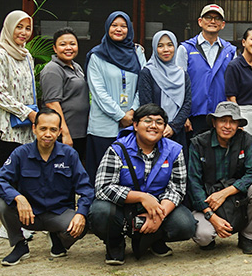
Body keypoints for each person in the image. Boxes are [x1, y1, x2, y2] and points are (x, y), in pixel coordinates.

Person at [89, 103, 195, 265]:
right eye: (148, 121)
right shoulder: (118, 149)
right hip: (123, 208)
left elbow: (177, 189)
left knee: (185, 224)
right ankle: (115, 242)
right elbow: (103, 188)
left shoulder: (174, 150)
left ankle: (153, 239)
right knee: (100, 210)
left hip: (158, 207)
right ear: (135, 125)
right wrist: (141, 197)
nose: (154, 126)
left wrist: (159, 215)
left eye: (159, 122)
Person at [0, 109, 94, 266]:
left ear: (60, 131)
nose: (48, 134)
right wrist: (18, 198)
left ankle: (59, 241)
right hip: (29, 214)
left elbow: (86, 189)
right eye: (43, 129)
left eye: (53, 129)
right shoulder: (20, 154)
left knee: (83, 223)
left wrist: (81, 213)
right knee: (3, 204)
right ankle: (20, 246)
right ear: (34, 129)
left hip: (58, 214)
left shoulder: (69, 155)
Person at [188, 102, 252, 255]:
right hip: (207, 202)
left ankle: (247, 237)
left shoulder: (244, 140)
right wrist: (210, 215)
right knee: (204, 237)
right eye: (223, 120)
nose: (227, 126)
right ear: (214, 122)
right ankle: (211, 233)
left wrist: (225, 193)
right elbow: (193, 183)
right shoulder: (198, 143)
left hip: (235, 198)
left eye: (233, 121)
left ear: (238, 124)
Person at [85, 11, 146, 180]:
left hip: (131, 124)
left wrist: (133, 111)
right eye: (114, 25)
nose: (118, 29)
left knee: (127, 172)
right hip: (103, 126)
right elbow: (98, 91)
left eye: (123, 26)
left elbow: (144, 83)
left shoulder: (137, 52)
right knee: (101, 174)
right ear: (107, 27)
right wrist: (120, 116)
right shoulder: (96, 55)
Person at [174, 3, 236, 140]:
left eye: (217, 18)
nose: (213, 21)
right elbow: (178, 85)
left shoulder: (230, 51)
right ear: (200, 22)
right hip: (194, 116)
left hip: (222, 116)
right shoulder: (186, 49)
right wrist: (183, 116)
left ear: (223, 24)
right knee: (195, 158)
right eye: (208, 17)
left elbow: (234, 86)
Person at [0, 10, 37, 169]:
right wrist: (27, 112)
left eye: (28, 28)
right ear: (9, 28)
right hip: (7, 128)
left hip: (26, 127)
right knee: (10, 178)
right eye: (19, 27)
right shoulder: (0, 55)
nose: (24, 32)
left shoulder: (26, 55)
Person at [40, 27, 90, 164]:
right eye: (63, 44)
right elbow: (52, 103)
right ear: (55, 48)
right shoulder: (52, 69)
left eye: (72, 44)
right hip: (65, 134)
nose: (68, 48)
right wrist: (65, 133)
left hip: (80, 133)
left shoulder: (77, 67)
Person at [225, 26, 252, 176]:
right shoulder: (234, 66)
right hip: (243, 114)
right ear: (244, 42)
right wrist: (237, 121)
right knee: (242, 154)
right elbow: (231, 97)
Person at [139, 30, 192, 147]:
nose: (166, 50)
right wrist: (160, 126)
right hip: (153, 132)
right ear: (154, 48)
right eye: (160, 46)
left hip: (177, 132)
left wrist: (173, 127)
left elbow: (187, 104)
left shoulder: (182, 75)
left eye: (170, 45)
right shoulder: (147, 73)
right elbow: (146, 105)